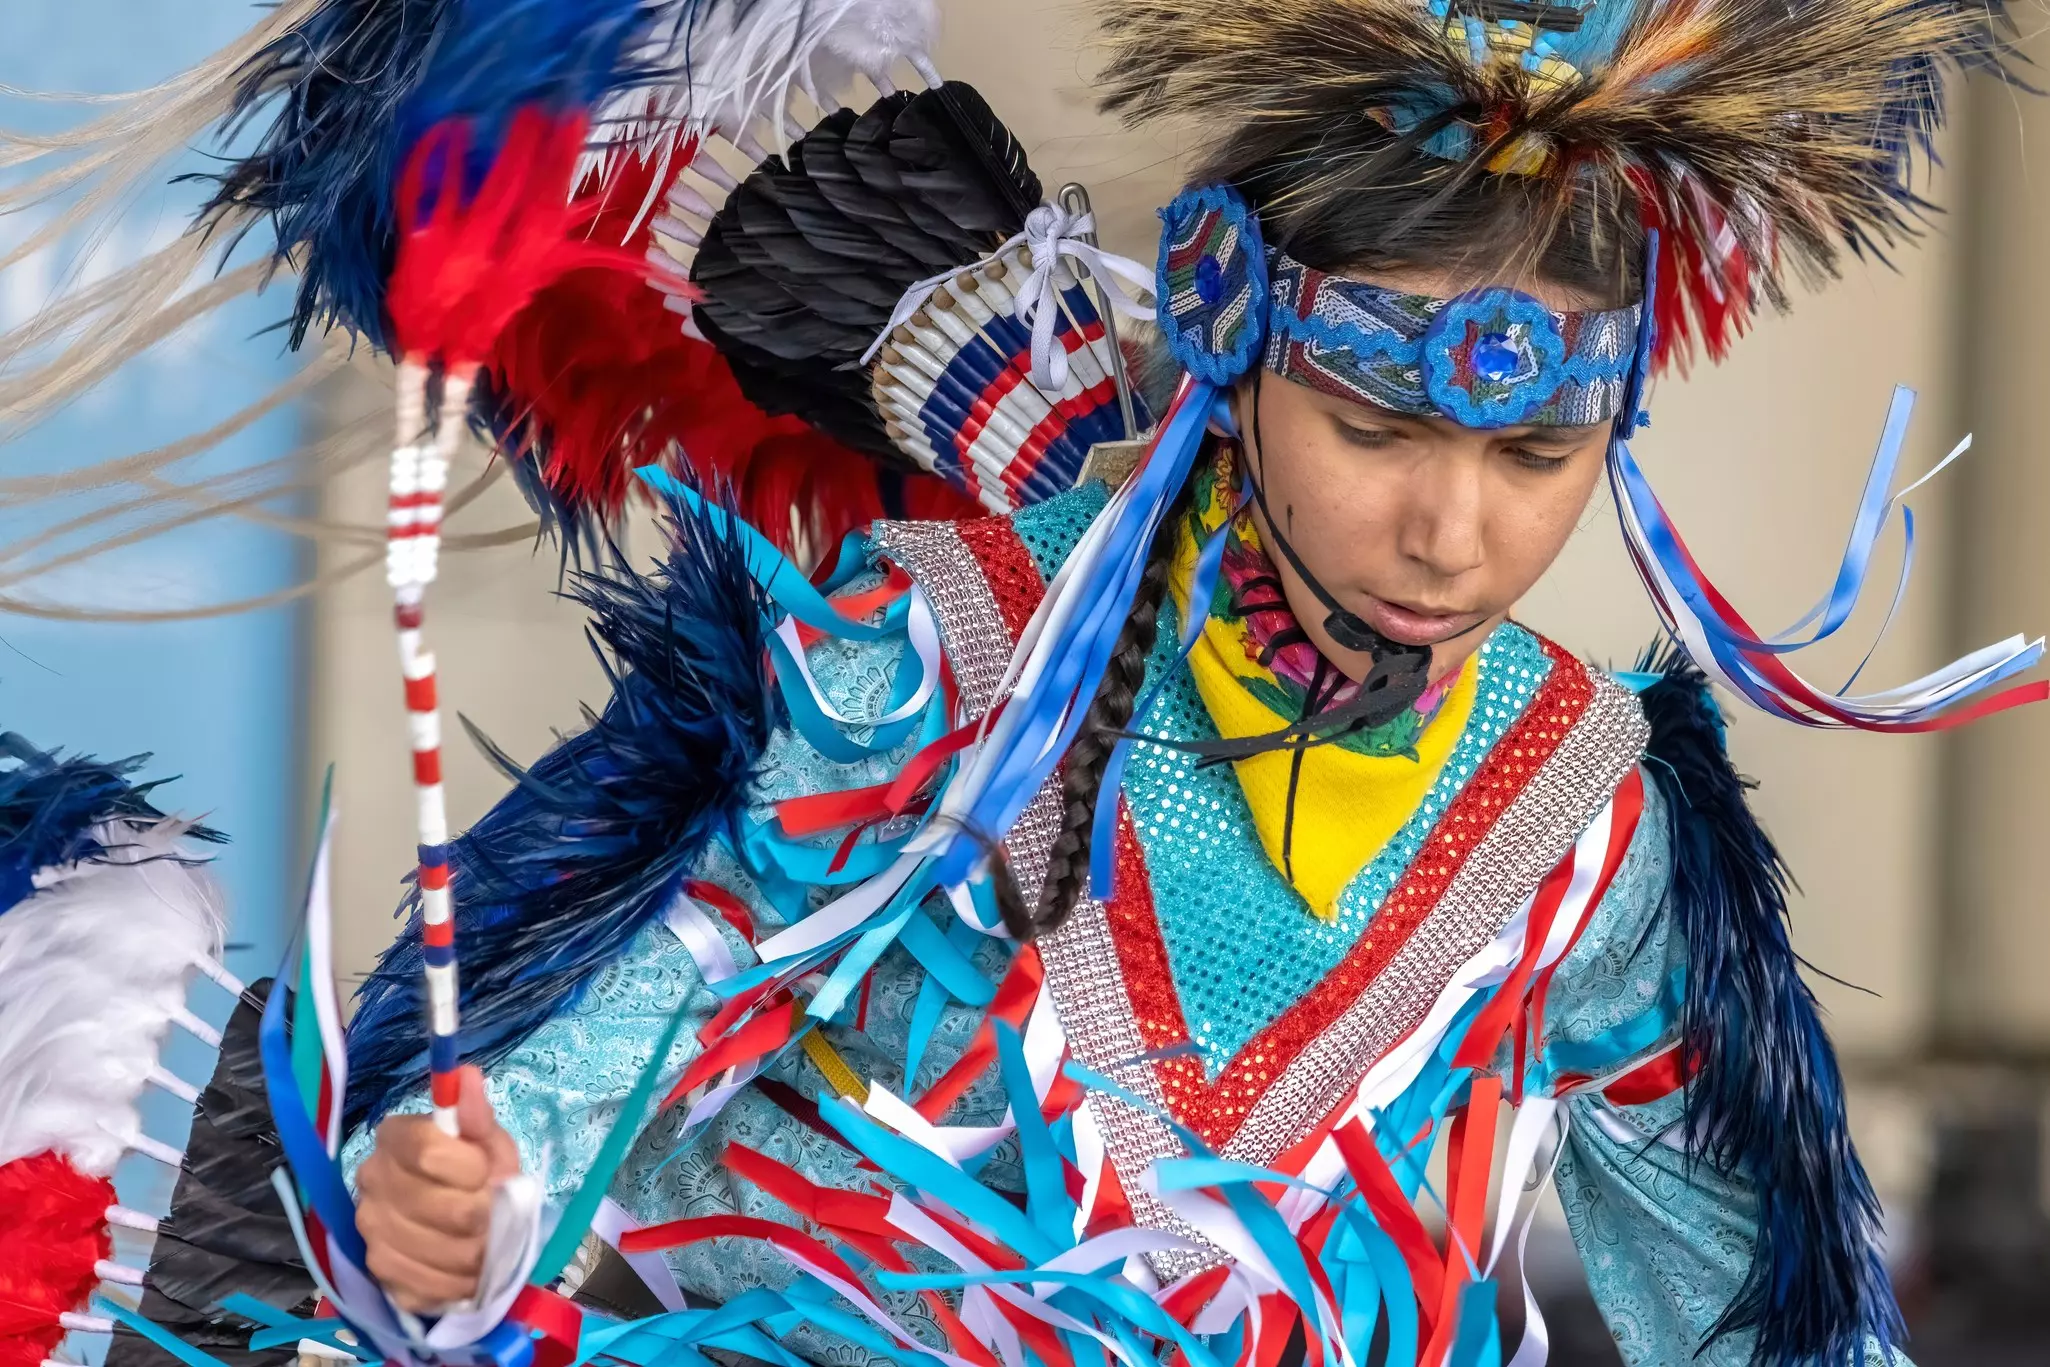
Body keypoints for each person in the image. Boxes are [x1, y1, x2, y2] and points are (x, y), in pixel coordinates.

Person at [2, 0, 2037, 1365]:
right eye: (1377, 433)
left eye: (1532, 459)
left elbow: (1745, 1297)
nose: (1451, 534)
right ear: (1231, 346)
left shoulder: (1584, 815)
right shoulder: (960, 644)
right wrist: (485, 1175)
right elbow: (663, 980)